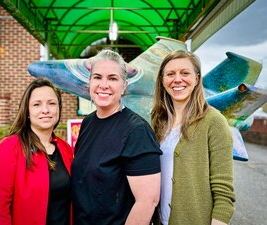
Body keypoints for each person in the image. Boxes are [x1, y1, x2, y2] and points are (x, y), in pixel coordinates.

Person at [71, 49, 162, 225]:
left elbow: (147, 202)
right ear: (90, 83)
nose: (103, 85)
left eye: (112, 78)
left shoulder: (137, 131)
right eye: (97, 77)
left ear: (124, 86)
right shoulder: (87, 123)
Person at [151, 50, 236, 225]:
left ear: (197, 79)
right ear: (162, 80)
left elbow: (224, 192)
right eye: (170, 74)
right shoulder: (157, 121)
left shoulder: (214, 122)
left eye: (185, 73)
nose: (177, 79)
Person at [0, 77, 73, 225]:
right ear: (27, 111)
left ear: (59, 109)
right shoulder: (8, 148)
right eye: (37, 104)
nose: (45, 110)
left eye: (51, 103)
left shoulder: (66, 149)